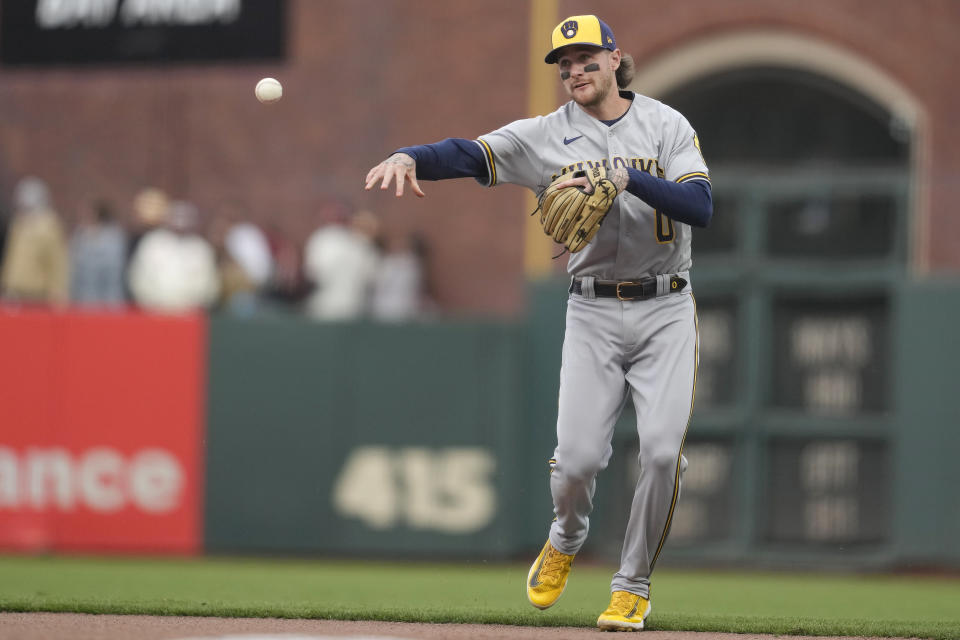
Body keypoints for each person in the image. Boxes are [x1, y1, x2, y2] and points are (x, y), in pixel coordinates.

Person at [364, 14, 712, 631]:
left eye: (585, 58)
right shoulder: (545, 136)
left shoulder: (665, 124)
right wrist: (409, 155)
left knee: (661, 455)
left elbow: (701, 206)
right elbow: (469, 155)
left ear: (614, 58)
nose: (574, 70)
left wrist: (629, 176)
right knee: (577, 460)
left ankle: (631, 585)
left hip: (665, 307)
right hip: (592, 310)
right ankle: (566, 536)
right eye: (564, 63)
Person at [126, 199, 220, 313]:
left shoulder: (201, 248)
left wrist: (193, 304)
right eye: (177, 216)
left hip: (190, 314)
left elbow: (208, 285)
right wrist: (152, 304)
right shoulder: (151, 243)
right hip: (154, 313)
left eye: (185, 217)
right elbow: (138, 278)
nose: (181, 221)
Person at [0, 176, 69, 307]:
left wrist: (58, 289)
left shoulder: (49, 225)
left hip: (37, 293)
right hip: (14, 291)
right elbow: (11, 255)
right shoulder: (18, 224)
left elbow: (57, 259)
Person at [69, 199, 128, 307]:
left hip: (107, 300)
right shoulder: (81, 236)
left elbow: (113, 272)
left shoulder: (113, 237)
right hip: (83, 299)